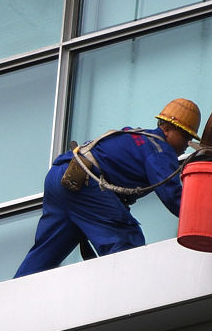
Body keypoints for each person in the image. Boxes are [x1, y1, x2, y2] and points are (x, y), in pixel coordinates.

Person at [14, 99, 201, 278]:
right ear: (166, 129)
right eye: (185, 136)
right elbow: (173, 195)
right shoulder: (159, 148)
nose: (187, 144)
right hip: (85, 183)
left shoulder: (136, 135)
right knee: (126, 240)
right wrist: (206, 217)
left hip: (63, 175)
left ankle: (15, 297)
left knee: (47, 251)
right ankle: (125, 295)